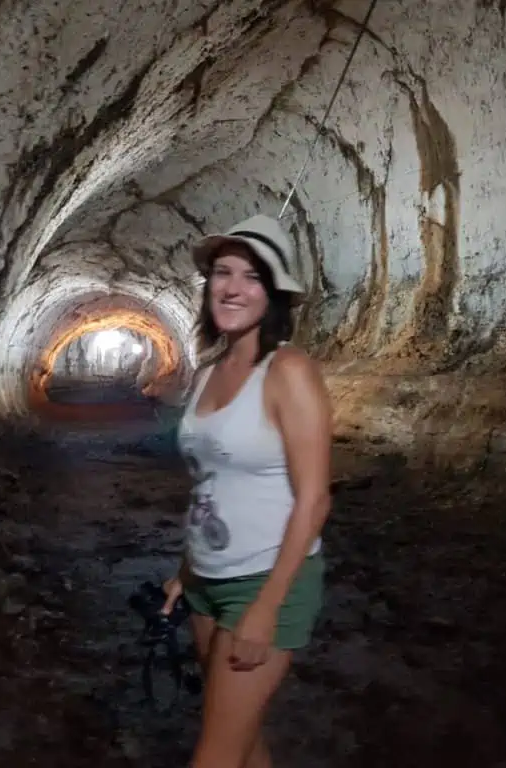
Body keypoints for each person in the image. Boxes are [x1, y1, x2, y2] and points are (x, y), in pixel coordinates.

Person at [161, 214, 333, 768]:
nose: (232, 288)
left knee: (213, 755)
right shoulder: (207, 371)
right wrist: (185, 570)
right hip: (207, 583)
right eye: (222, 272)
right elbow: (209, 486)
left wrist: (267, 607)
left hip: (263, 583)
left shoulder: (289, 370)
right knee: (242, 737)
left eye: (252, 277)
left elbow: (314, 500)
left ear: (275, 293)